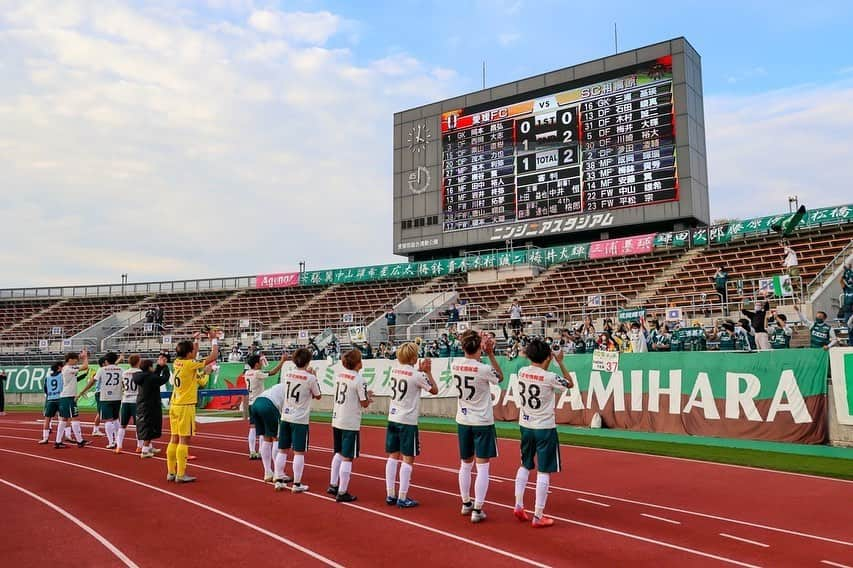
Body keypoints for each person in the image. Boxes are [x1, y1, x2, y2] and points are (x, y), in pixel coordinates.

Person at [514, 338, 574, 528]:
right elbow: (569, 384)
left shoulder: (522, 371)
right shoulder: (549, 377)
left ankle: (518, 504)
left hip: (525, 424)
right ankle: (538, 515)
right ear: (547, 356)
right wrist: (561, 361)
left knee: (524, 465)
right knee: (544, 470)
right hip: (544, 427)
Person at [452, 329, 503, 523]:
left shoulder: (455, 364)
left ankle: (466, 503)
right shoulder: (482, 368)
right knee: (483, 467)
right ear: (478, 348)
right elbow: (499, 377)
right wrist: (490, 353)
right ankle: (478, 508)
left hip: (463, 419)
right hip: (481, 421)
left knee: (465, 464)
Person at [385, 342, 438, 509]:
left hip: (393, 417)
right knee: (408, 458)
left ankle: (390, 493)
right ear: (414, 357)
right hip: (407, 420)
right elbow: (434, 390)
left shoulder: (394, 369)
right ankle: (402, 496)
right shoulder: (417, 375)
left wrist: (420, 371)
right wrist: (427, 372)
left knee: (393, 456)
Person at [167, 330, 219, 483]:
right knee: (184, 440)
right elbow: (213, 356)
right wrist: (213, 340)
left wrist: (196, 340)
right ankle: (181, 474)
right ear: (189, 353)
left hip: (175, 404)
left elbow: (193, 356)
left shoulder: (177, 362)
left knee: (173, 439)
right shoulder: (190, 364)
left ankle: (171, 472)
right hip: (185, 406)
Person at [328, 349, 374, 503]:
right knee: (348, 457)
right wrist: (369, 397)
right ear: (357, 362)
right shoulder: (359, 379)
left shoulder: (339, 375)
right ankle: (342, 491)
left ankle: (333, 484)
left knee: (338, 452)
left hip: (337, 417)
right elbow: (364, 403)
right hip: (350, 421)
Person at [274, 348, 321, 492]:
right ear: (308, 361)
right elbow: (318, 395)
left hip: (286, 415)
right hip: (300, 418)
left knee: (282, 449)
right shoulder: (310, 378)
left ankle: (279, 479)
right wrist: (314, 376)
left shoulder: (288, 374)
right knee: (299, 452)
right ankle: (297, 483)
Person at [245, 351, 288, 460]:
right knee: (264, 430)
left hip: (251, 402)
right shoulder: (257, 373)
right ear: (256, 364)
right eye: (260, 362)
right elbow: (272, 373)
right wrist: (282, 362)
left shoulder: (247, 373)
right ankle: (260, 451)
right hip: (260, 401)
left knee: (253, 427)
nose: (261, 363)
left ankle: (252, 450)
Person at [249, 378, 288, 485]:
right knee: (276, 438)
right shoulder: (289, 388)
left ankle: (267, 472)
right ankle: (277, 473)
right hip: (269, 405)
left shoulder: (280, 386)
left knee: (267, 438)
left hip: (256, 403)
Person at [80, 352, 122, 449]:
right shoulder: (121, 369)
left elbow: (93, 381)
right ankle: (117, 441)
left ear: (106, 360)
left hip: (105, 397)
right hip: (117, 397)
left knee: (108, 420)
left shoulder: (102, 370)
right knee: (116, 419)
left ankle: (111, 442)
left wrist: (83, 391)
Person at [134, 354, 171, 458]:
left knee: (148, 425)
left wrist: (160, 366)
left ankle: (148, 446)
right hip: (149, 405)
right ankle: (145, 450)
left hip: (143, 404)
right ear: (149, 367)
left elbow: (154, 375)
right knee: (149, 427)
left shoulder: (142, 376)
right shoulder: (150, 378)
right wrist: (165, 366)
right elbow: (164, 378)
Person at [57, 351, 90, 449]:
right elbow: (85, 366)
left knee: (64, 419)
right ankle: (79, 441)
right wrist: (85, 357)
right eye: (75, 359)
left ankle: (58, 441)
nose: (76, 361)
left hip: (66, 396)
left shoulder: (67, 368)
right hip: (69, 396)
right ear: (70, 359)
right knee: (74, 418)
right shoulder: (68, 368)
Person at [116, 355, 143, 454]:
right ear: (138, 362)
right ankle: (139, 446)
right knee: (139, 425)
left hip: (125, 400)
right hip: (136, 400)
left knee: (122, 425)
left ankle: (119, 446)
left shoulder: (125, 373)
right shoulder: (140, 373)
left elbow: (123, 385)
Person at [39, 362, 64, 444]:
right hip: (60, 398)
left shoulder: (47, 377)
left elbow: (45, 389)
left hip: (50, 399)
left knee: (47, 419)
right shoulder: (62, 375)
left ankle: (45, 438)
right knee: (62, 418)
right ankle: (61, 438)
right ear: (59, 367)